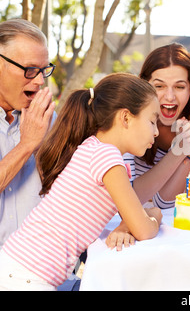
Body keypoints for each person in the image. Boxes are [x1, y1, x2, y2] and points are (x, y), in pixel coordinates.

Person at [0, 73, 163, 291]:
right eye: (152, 121)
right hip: (25, 278)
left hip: (16, 267)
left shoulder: (93, 148)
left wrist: (133, 222)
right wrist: (155, 215)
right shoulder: (108, 159)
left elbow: (130, 214)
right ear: (125, 118)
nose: (156, 131)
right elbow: (143, 229)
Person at [108, 43, 190, 249]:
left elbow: (164, 204)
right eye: (159, 86)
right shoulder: (126, 122)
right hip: (114, 229)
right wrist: (179, 151)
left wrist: (186, 152)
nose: (169, 97)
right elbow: (131, 199)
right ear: (144, 85)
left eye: (179, 87)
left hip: (154, 229)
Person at [0, 19, 56, 248]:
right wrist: (27, 144)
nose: (40, 80)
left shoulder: (48, 119)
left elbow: (62, 196)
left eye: (44, 70)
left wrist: (45, 147)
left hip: (38, 267)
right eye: (30, 70)